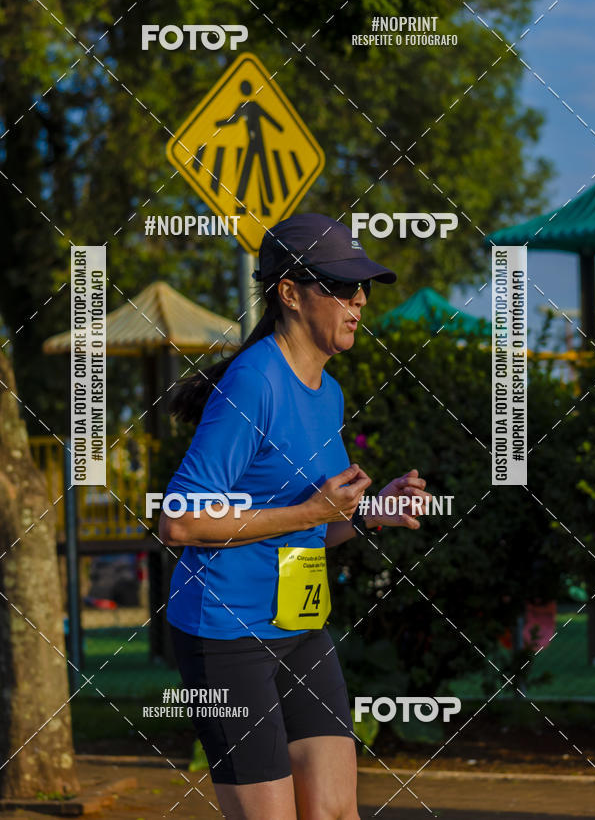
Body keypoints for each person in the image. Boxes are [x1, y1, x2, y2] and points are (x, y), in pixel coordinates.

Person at [158, 212, 431, 820]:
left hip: (301, 625)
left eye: (361, 287)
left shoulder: (327, 391)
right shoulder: (254, 383)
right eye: (338, 285)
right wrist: (310, 508)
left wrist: (367, 516)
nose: (357, 299)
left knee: (337, 813)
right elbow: (177, 521)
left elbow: (309, 525)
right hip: (226, 637)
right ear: (289, 293)